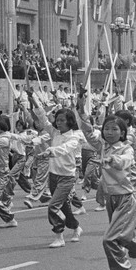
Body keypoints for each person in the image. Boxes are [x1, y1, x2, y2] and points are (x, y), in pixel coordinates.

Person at [78, 108, 136, 270]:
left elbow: (125, 161)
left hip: (125, 198)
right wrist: (81, 110)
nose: (110, 133)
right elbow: (88, 132)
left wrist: (111, 160)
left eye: (114, 129)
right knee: (124, 238)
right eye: (107, 129)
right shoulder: (103, 146)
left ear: (123, 132)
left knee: (110, 238)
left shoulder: (126, 148)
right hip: (110, 198)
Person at [33, 104, 83, 248]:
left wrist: (50, 151)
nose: (59, 123)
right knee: (64, 208)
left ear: (70, 121)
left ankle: (59, 236)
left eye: (62, 120)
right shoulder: (55, 132)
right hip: (53, 176)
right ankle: (76, 227)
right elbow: (43, 119)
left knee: (53, 206)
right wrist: (34, 101)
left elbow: (64, 149)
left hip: (67, 178)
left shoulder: (74, 137)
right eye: (57, 120)